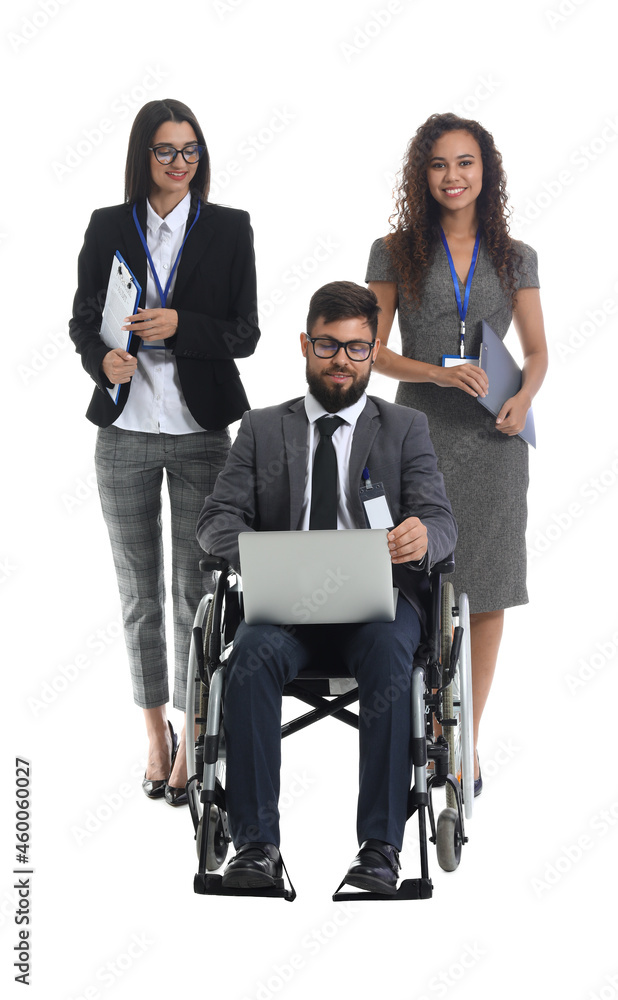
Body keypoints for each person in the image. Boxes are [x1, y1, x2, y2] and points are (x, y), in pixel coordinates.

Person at [197, 281, 456, 894]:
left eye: (357, 349)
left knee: (393, 653)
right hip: (286, 608)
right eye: (328, 345)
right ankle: (254, 848)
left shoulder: (405, 426)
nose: (342, 360)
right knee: (250, 658)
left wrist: (422, 536)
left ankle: (381, 849)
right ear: (306, 346)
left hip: (379, 607)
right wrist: (265, 553)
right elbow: (215, 522)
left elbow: (442, 520)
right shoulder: (261, 429)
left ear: (373, 351)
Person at [69, 99, 260, 806]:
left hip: (203, 434)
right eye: (164, 151)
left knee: (196, 594)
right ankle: (156, 735)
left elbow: (245, 333)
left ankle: (194, 731)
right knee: (136, 593)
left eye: (190, 151)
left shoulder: (230, 228)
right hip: (122, 433)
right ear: (141, 156)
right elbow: (84, 320)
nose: (179, 164)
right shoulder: (109, 226)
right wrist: (103, 360)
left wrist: (181, 326)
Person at [365, 113, 548, 794]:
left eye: (465, 163)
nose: (453, 177)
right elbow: (371, 352)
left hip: (496, 440)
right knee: (421, 580)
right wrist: (437, 373)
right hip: (420, 436)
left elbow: (536, 351)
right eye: (439, 164)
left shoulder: (515, 256)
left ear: (486, 171)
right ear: (423, 174)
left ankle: (465, 737)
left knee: (489, 592)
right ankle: (430, 725)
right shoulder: (395, 250)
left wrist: (524, 399)